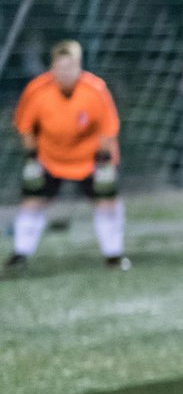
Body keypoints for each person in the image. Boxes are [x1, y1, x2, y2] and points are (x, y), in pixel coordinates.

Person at [6, 40, 127, 271]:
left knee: (107, 202)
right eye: (60, 68)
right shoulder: (37, 90)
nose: (65, 73)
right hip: (50, 157)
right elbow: (25, 127)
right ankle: (20, 253)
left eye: (70, 67)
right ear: (52, 68)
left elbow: (108, 129)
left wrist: (103, 164)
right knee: (32, 202)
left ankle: (113, 254)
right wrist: (32, 158)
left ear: (79, 66)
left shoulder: (95, 90)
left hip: (89, 158)